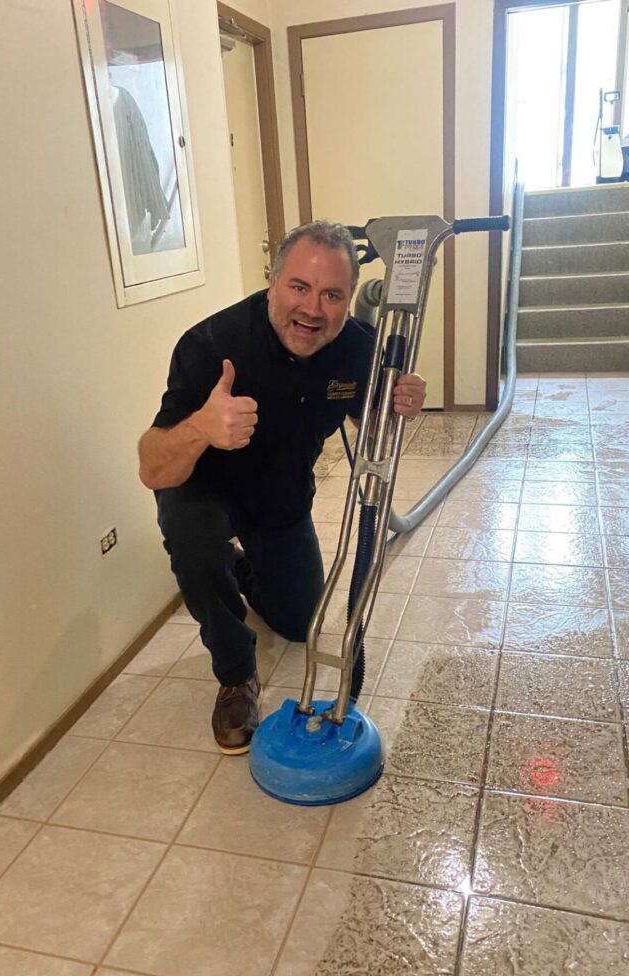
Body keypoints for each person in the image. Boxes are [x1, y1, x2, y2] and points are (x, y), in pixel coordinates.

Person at [138, 221, 426, 754]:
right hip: (204, 490)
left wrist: (398, 403)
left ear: (347, 301)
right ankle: (234, 675)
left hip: (281, 492)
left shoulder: (358, 349)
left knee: (299, 623)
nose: (313, 309)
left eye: (332, 294)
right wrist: (203, 426)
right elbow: (153, 469)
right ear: (273, 282)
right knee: (195, 540)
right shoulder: (211, 345)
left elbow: (376, 434)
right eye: (299, 287)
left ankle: (241, 566)